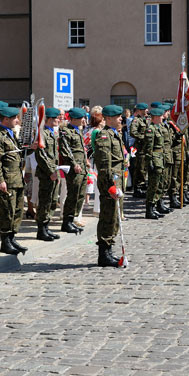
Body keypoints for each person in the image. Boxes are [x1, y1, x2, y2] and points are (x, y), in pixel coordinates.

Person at [0, 106, 28, 256]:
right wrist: (0, 180)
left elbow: (17, 154)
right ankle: (5, 241)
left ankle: (12, 238)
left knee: (17, 210)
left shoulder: (11, 134)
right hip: (7, 179)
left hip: (17, 178)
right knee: (7, 211)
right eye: (15, 118)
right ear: (6, 119)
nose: (17, 121)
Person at [93, 105, 126, 267]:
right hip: (110, 183)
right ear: (110, 118)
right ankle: (104, 254)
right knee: (108, 217)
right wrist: (111, 185)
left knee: (115, 217)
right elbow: (105, 164)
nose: (121, 119)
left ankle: (109, 249)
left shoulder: (114, 135)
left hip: (117, 180)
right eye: (118, 117)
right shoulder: (104, 136)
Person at [59, 107, 88, 233]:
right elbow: (66, 150)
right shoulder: (66, 131)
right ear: (74, 119)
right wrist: (74, 163)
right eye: (82, 118)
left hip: (82, 167)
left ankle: (73, 218)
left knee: (80, 194)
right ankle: (67, 221)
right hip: (74, 168)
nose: (84, 120)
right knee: (72, 195)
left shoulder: (77, 131)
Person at [34, 107, 62, 242]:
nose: (58, 120)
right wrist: (51, 171)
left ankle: (46, 227)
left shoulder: (52, 133)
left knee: (52, 201)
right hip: (46, 173)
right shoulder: (42, 134)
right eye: (56, 118)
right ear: (49, 119)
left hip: (54, 172)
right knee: (44, 201)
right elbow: (41, 155)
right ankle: (41, 230)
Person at [144, 107, 166, 219]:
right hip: (155, 159)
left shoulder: (159, 128)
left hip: (160, 159)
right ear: (156, 117)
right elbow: (148, 148)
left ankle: (154, 207)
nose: (163, 117)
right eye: (161, 116)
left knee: (159, 184)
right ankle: (149, 210)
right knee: (153, 185)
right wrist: (150, 161)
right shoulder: (151, 129)